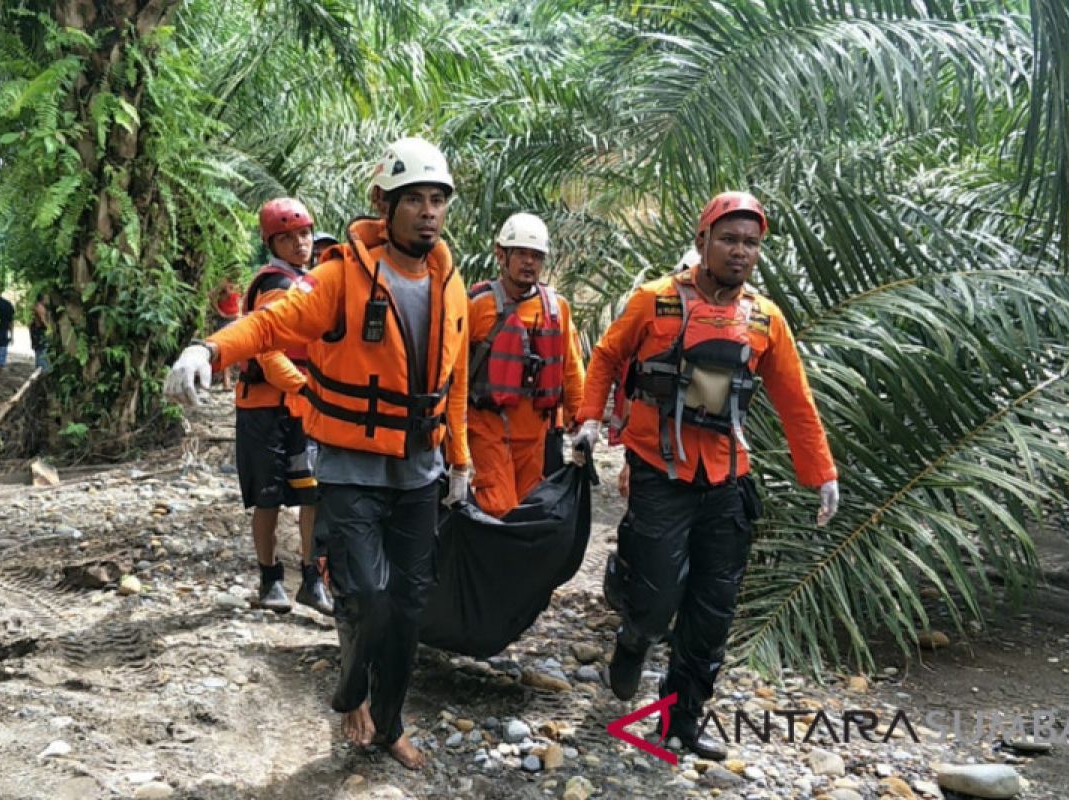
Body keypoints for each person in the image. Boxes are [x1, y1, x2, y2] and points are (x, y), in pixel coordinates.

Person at [165, 137, 470, 771]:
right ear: (383, 205)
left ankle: (388, 724)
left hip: (419, 468)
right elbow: (270, 324)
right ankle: (352, 694)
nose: (428, 211)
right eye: (413, 198)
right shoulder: (339, 278)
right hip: (350, 464)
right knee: (367, 594)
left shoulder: (450, 281)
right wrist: (209, 350)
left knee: (410, 608)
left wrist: (461, 461)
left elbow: (455, 381)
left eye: (437, 199)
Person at [573, 192, 840, 760]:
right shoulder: (654, 302)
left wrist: (821, 474)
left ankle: (679, 723)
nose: (740, 251)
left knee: (712, 610)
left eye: (751, 242)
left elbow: (796, 400)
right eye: (729, 239)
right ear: (702, 243)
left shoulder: (766, 319)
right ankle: (634, 633)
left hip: (726, 480)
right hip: (660, 473)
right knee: (654, 597)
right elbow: (604, 357)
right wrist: (589, 421)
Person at [233, 197, 331, 616]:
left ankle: (311, 578)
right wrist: (306, 387)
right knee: (269, 497)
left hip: (299, 406)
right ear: (272, 242)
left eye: (305, 234)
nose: (300, 243)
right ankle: (271, 578)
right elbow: (269, 350)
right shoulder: (276, 285)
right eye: (288, 237)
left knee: (312, 493)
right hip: (268, 405)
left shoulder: (310, 283)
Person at [466, 212, 585, 517]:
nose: (529, 262)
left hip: (536, 432)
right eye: (520, 253)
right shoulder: (477, 305)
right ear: (501, 254)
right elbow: (451, 368)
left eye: (536, 256)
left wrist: (581, 420)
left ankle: (518, 565)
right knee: (498, 505)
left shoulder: (557, 308)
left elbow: (571, 367)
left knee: (532, 509)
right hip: (488, 426)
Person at [209, 278, 241, 391]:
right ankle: (226, 381)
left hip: (234, 321)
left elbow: (239, 306)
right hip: (224, 322)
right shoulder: (222, 290)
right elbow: (211, 296)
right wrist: (220, 313)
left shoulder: (235, 288)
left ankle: (228, 380)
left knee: (233, 351)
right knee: (225, 350)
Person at [29, 293, 50, 372]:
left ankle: (39, 372)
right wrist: (49, 329)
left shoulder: (35, 307)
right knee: (42, 356)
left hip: (35, 334)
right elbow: (43, 321)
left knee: (39, 354)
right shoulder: (40, 308)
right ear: (43, 299)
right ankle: (42, 374)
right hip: (40, 334)